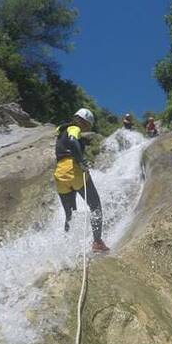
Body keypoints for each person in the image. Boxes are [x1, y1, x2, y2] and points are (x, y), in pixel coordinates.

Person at [54, 108, 110, 253]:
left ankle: (67, 247)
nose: (87, 129)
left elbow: (67, 144)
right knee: (95, 205)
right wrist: (82, 162)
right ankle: (97, 242)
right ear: (83, 122)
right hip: (74, 170)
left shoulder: (61, 132)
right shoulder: (74, 128)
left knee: (69, 214)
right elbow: (73, 141)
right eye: (88, 126)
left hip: (60, 174)